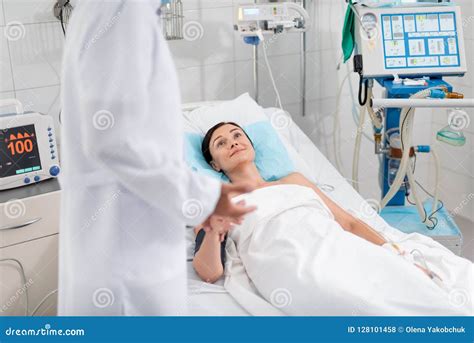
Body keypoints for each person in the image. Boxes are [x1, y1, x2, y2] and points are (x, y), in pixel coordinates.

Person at [58, 1, 254, 315]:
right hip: (126, 265)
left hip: (129, 247)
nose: (232, 143)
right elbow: (113, 139)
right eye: (221, 141)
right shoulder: (122, 8)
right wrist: (205, 197)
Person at [193, 122, 437, 283]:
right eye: (221, 143)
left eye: (237, 135)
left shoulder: (295, 180)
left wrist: (397, 255)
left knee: (411, 280)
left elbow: (349, 224)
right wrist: (214, 231)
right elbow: (210, 272)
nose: (233, 142)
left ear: (251, 145)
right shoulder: (220, 205)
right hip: (295, 268)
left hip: (338, 247)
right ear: (215, 165)